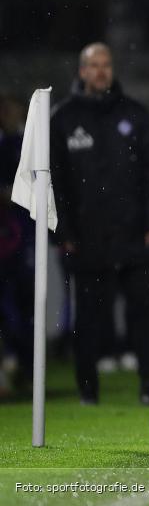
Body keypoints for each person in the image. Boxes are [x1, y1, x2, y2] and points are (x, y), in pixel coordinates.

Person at [48, 44, 149, 406]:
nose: (100, 71)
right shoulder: (62, 119)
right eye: (93, 66)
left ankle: (148, 384)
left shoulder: (134, 114)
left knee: (141, 313)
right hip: (86, 239)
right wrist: (63, 233)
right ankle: (87, 390)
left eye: (105, 65)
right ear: (82, 71)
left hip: (133, 235)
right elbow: (55, 182)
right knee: (89, 317)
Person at [0, 93, 34, 394]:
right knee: (9, 308)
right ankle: (12, 362)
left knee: (23, 308)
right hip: (9, 242)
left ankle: (23, 365)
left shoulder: (23, 146)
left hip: (19, 241)